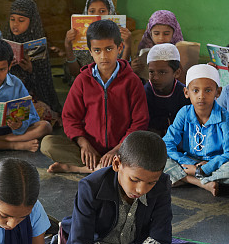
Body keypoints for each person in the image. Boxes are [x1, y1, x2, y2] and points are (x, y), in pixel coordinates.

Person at [59, 132, 207, 244]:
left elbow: (160, 238)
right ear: (117, 164)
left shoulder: (162, 184)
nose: (141, 190)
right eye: (135, 180)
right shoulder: (90, 187)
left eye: (150, 183)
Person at [41, 19, 149, 174]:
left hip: (122, 149)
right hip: (90, 149)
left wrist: (117, 150)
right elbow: (70, 117)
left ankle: (81, 168)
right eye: (97, 50)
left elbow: (139, 122)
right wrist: (84, 144)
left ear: (119, 48)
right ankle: (106, 167)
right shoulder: (82, 80)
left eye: (109, 49)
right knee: (48, 144)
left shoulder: (132, 81)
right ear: (90, 51)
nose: (103, 56)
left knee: (144, 151)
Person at [163, 65, 229, 196]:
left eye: (208, 90)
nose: (201, 96)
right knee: (158, 159)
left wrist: (204, 168)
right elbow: (167, 144)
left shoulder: (224, 117)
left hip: (215, 164)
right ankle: (202, 183)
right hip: (187, 162)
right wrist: (191, 164)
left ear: (218, 92)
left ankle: (185, 178)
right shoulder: (184, 113)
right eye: (195, 90)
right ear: (186, 92)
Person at [3, 0, 61, 113]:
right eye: (12, 19)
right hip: (8, 96)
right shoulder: (4, 41)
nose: (15, 24)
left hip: (33, 96)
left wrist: (31, 69)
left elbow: (45, 81)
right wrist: (6, 67)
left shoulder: (38, 44)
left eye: (21, 20)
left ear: (31, 22)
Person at [62, 0, 134, 83]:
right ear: (86, 12)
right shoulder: (78, 36)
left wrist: (127, 45)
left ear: (110, 12)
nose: (97, 15)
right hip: (86, 84)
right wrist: (67, 45)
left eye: (102, 11)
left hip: (115, 84)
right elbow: (75, 73)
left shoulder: (119, 35)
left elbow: (123, 73)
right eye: (92, 11)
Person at [143, 43, 188, 136]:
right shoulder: (144, 93)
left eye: (162, 72)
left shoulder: (184, 94)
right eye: (151, 72)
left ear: (177, 73)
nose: (155, 77)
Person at [131, 9, 184, 76]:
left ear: (174, 34)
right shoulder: (144, 52)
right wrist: (132, 69)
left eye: (166, 34)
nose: (161, 38)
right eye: (156, 33)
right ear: (150, 34)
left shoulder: (181, 52)